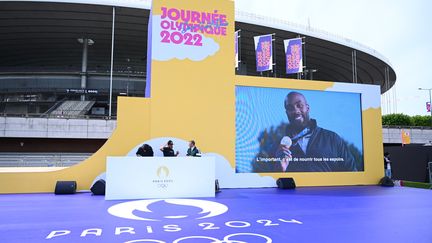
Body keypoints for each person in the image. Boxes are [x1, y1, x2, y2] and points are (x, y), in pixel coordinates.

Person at [269, 91, 357, 172]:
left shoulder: (332, 139)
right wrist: (279, 169)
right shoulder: (277, 148)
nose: (296, 111)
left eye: (299, 105)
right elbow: (270, 181)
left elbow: (352, 173)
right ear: (286, 113)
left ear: (307, 108)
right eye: (290, 108)